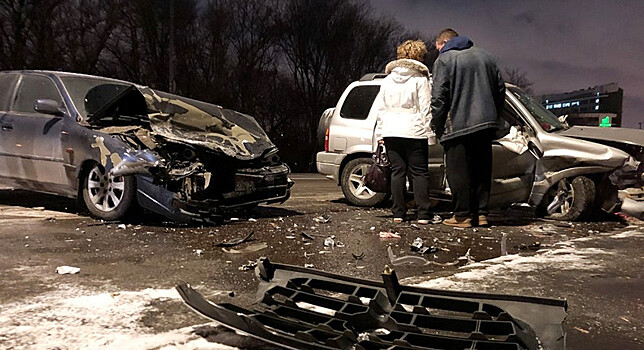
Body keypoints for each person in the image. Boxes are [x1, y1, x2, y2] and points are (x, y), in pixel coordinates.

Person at [430, 28, 505, 228]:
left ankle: (462, 216)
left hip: (457, 125)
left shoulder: (444, 60)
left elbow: (439, 97)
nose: (438, 51)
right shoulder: (486, 57)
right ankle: (481, 214)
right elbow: (500, 90)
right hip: (485, 124)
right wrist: (494, 117)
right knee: (481, 170)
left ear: (445, 42)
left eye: (438, 47)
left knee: (458, 172)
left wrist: (436, 124)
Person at [371, 40, 436, 224]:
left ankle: (398, 213)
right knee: (419, 173)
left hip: (391, 130)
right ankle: (423, 214)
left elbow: (380, 109)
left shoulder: (387, 80)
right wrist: (430, 134)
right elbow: (426, 108)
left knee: (397, 172)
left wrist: (380, 134)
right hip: (414, 130)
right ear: (419, 56)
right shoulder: (420, 79)